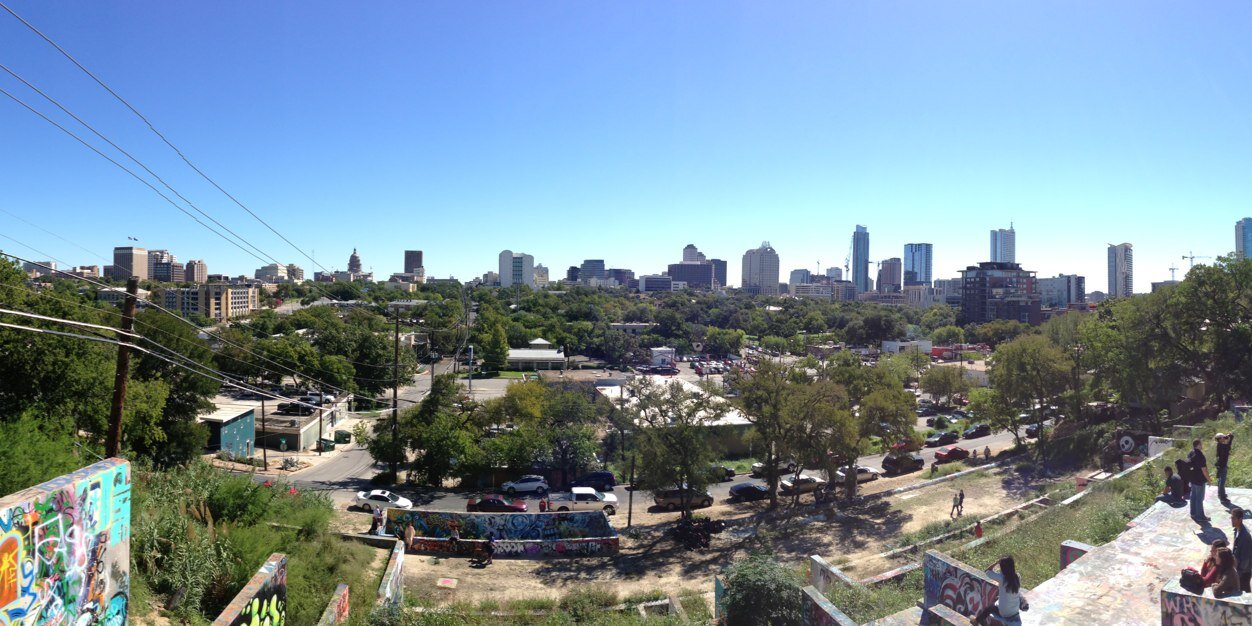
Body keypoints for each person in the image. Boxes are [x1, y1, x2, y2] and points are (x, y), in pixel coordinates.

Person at [974, 555, 1027, 625]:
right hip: (1015, 611)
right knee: (1018, 596)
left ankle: (976, 621)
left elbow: (987, 571)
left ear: (1002, 567)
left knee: (989, 608)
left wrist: (996, 563)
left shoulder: (1001, 578)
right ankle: (1024, 605)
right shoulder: (1017, 576)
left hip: (1004, 613)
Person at [1188, 439, 1212, 522]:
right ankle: (1200, 517)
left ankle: (1193, 513)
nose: (1202, 445)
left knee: (1193, 496)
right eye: (1201, 444)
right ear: (1198, 445)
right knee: (1199, 498)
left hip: (1192, 479)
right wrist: (1209, 480)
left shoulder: (1191, 453)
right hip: (1199, 480)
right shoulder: (1200, 455)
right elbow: (1204, 469)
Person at [1231, 507, 1252, 592]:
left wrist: (1238, 573)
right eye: (1231, 518)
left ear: (1240, 519)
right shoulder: (1237, 530)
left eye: (1234, 518)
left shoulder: (1246, 537)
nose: (1232, 520)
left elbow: (1246, 559)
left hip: (1243, 572)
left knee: (1245, 592)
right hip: (1238, 567)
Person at [1216, 433, 1234, 501]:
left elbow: (1227, 447)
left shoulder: (1220, 445)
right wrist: (1230, 438)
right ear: (1220, 439)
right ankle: (1222, 496)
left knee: (1220, 480)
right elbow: (1228, 446)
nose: (1224, 438)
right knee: (1222, 481)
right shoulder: (1221, 445)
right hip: (1222, 465)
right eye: (1222, 437)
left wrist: (1228, 438)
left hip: (1221, 464)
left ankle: (1220, 493)